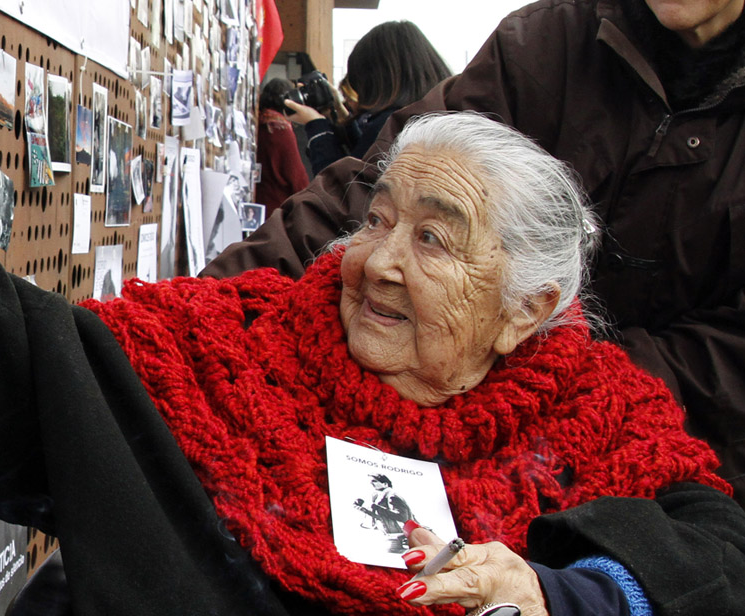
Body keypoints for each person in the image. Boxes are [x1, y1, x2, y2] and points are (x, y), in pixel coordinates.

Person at [0, 1, 745, 616]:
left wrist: (570, 603)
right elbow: (29, 367)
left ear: (527, 312)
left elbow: (715, 562)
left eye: (433, 241)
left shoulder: (599, 418)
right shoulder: (241, 354)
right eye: (378, 220)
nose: (377, 262)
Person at [204, 0, 745, 507]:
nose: (380, 263)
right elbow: (374, 193)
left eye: (433, 241)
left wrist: (566, 389)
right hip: (443, 413)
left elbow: (727, 358)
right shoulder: (546, 43)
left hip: (649, 444)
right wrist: (210, 313)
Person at [284, 21, 450, 175]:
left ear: (378, 78)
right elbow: (364, 157)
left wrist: (316, 126)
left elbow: (341, 190)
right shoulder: (432, 119)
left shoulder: (392, 124)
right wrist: (343, 117)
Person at [254, 78, 309, 213]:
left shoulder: (259, 123)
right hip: (277, 205)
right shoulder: (281, 130)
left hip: (259, 199)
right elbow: (297, 177)